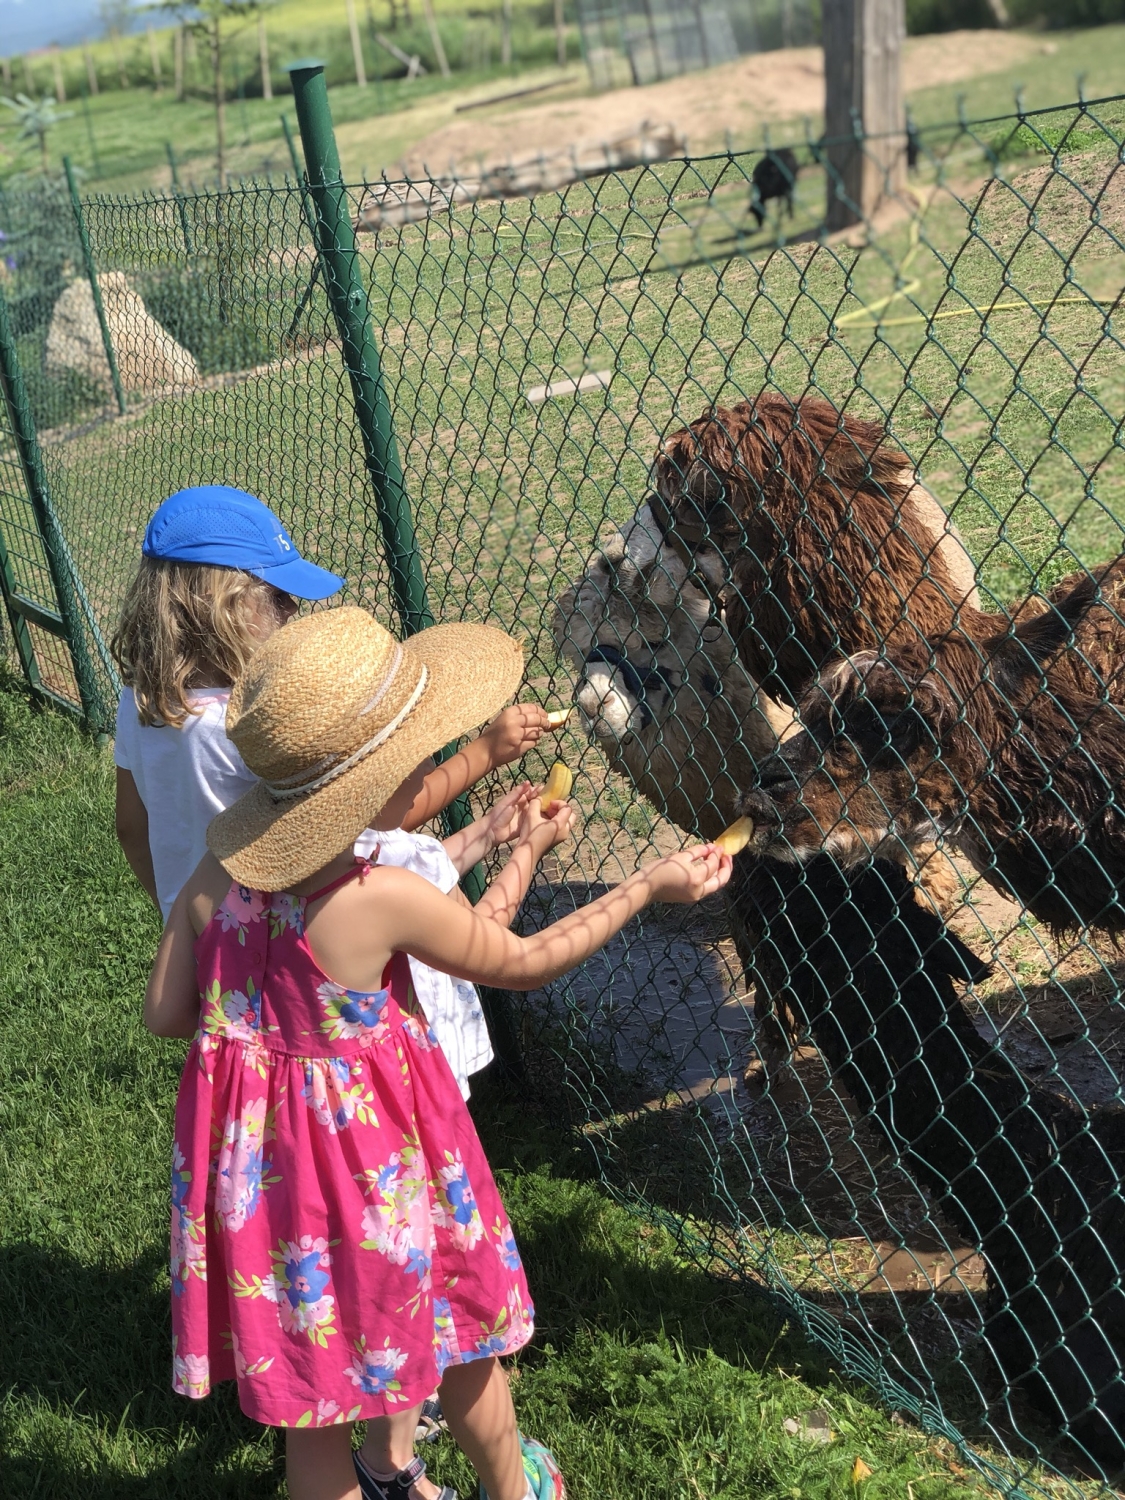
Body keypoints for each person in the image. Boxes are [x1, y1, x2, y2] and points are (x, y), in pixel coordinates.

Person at [144, 606, 731, 1500]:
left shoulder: (217, 877)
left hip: (267, 1186)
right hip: (380, 1172)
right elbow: (521, 961)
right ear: (369, 784)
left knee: (315, 1407)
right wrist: (648, 884)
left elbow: (165, 1014)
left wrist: (517, 851)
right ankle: (513, 1491)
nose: (425, 772)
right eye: (413, 759)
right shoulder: (376, 894)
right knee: (460, 1338)